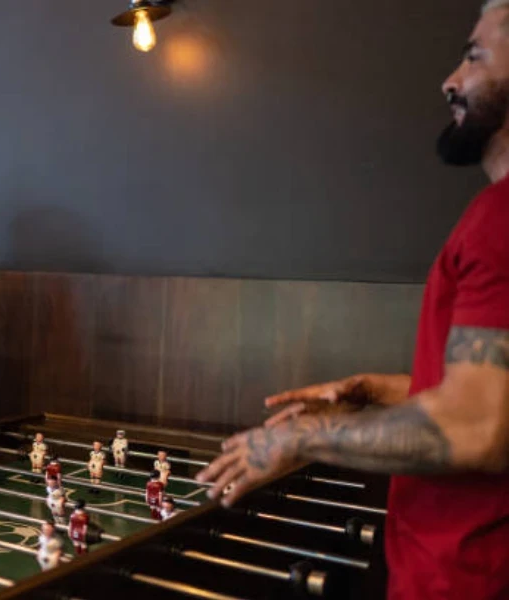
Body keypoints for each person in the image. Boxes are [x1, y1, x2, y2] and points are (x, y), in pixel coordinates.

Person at [197, 4, 509, 597]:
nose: (450, 81)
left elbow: (480, 427)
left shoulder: (501, 219)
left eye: (473, 57)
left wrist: (295, 439)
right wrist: (376, 391)